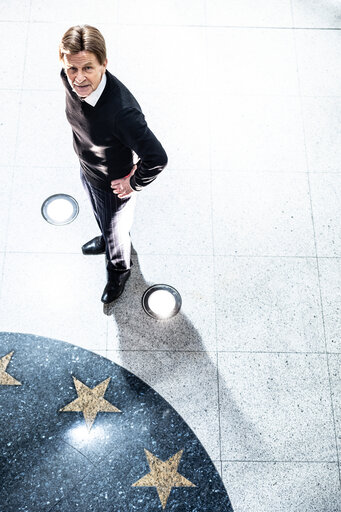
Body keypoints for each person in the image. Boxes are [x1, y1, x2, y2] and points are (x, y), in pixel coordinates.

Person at [59, 25, 168, 303]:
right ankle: (108, 239)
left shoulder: (122, 113)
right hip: (88, 168)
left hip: (112, 184)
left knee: (116, 230)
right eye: (72, 68)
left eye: (88, 68)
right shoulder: (68, 77)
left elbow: (157, 157)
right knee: (105, 223)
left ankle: (119, 269)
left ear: (104, 64)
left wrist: (133, 182)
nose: (79, 79)